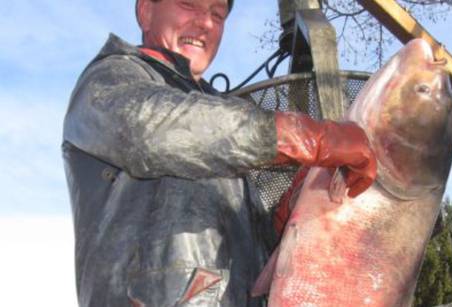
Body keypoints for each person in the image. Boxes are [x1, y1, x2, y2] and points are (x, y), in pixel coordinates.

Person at [62, 0, 377, 305]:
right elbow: (148, 129)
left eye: (218, 13)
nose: (206, 23)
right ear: (145, 11)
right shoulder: (111, 78)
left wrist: (285, 218)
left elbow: (254, 261)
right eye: (188, 5)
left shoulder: (223, 124)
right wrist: (305, 137)